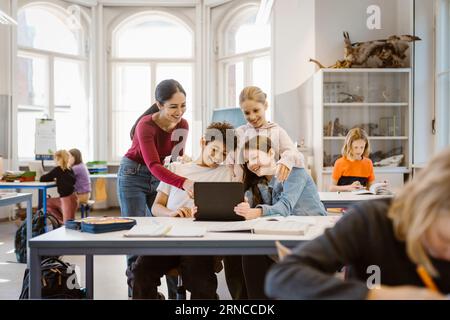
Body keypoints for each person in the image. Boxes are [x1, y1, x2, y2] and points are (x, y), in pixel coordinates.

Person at [265, 148, 450, 300]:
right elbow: (282, 276)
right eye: (444, 239)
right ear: (423, 206)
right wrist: (379, 296)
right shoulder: (372, 221)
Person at [127, 122, 235, 299]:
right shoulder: (177, 169)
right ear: (203, 143)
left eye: (224, 154)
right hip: (169, 238)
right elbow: (156, 207)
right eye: (214, 150)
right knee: (140, 273)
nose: (217, 157)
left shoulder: (227, 173)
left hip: (199, 242)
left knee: (201, 283)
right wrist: (171, 213)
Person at [233, 135, 326, 299]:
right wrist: (245, 206)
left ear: (270, 153)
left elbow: (284, 207)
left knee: (252, 254)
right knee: (248, 252)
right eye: (248, 161)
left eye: (255, 157)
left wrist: (256, 212)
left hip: (312, 238)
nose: (252, 164)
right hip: (287, 235)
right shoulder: (262, 183)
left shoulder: (295, 170)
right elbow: (269, 211)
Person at [117, 79, 194, 219]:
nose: (180, 111)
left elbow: (176, 160)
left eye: (183, 105)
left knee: (162, 221)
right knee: (136, 224)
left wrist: (188, 164)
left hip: (159, 175)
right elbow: (153, 164)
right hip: (133, 174)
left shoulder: (183, 125)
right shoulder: (145, 125)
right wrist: (184, 182)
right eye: (173, 106)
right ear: (159, 105)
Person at [229, 86, 305, 183]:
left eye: (256, 110)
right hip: (241, 190)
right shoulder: (239, 132)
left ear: (265, 105)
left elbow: (297, 156)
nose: (252, 117)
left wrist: (286, 161)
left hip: (268, 190)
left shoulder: (276, 131)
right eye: (247, 113)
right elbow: (228, 159)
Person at [329, 127, 375, 192]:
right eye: (355, 147)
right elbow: (331, 188)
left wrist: (379, 187)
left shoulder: (368, 163)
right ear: (349, 146)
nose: (359, 151)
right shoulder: (340, 163)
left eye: (362, 147)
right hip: (343, 200)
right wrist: (349, 187)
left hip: (361, 201)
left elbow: (370, 188)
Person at [40, 150, 77, 224]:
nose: (54, 161)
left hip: (66, 199)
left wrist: (54, 177)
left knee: (69, 224)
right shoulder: (70, 169)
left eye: (55, 159)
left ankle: (63, 223)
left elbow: (42, 178)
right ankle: (62, 221)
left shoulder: (58, 170)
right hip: (73, 197)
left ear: (59, 159)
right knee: (47, 202)